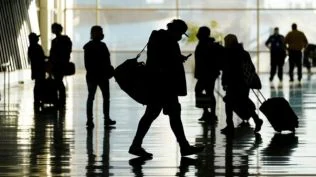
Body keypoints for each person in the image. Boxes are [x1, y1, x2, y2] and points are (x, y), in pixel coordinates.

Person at [129, 19, 204, 157]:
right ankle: (183, 147)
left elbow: (159, 58)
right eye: (181, 33)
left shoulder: (159, 38)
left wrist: (176, 58)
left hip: (159, 83)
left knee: (158, 114)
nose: (181, 37)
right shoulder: (167, 40)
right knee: (168, 114)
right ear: (175, 30)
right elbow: (165, 60)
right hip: (163, 84)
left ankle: (137, 145)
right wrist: (177, 59)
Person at [221, 34, 263, 134]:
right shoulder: (244, 53)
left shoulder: (228, 53)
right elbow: (252, 68)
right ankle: (256, 119)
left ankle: (230, 125)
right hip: (244, 83)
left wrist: (224, 82)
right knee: (243, 101)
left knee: (229, 103)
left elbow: (226, 69)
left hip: (233, 82)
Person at [83, 25, 116, 128]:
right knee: (106, 98)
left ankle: (89, 120)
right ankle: (106, 119)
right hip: (102, 76)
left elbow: (87, 64)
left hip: (92, 76)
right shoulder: (103, 46)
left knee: (91, 97)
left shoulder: (88, 46)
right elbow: (107, 62)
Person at [194, 26, 222, 122]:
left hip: (206, 73)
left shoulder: (206, 44)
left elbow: (205, 60)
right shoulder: (205, 43)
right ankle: (209, 113)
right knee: (208, 92)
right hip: (208, 73)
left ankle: (209, 113)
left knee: (202, 91)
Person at [49, 23, 72, 106]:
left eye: (53, 28)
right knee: (58, 81)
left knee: (58, 81)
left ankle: (60, 99)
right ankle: (60, 99)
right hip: (58, 64)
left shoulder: (58, 41)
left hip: (59, 64)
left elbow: (54, 53)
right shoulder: (64, 40)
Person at [27, 32, 47, 112]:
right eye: (37, 37)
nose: (38, 39)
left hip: (35, 69)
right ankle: (39, 99)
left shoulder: (30, 47)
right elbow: (42, 57)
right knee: (40, 84)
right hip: (40, 69)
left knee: (37, 84)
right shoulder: (37, 47)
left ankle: (37, 99)